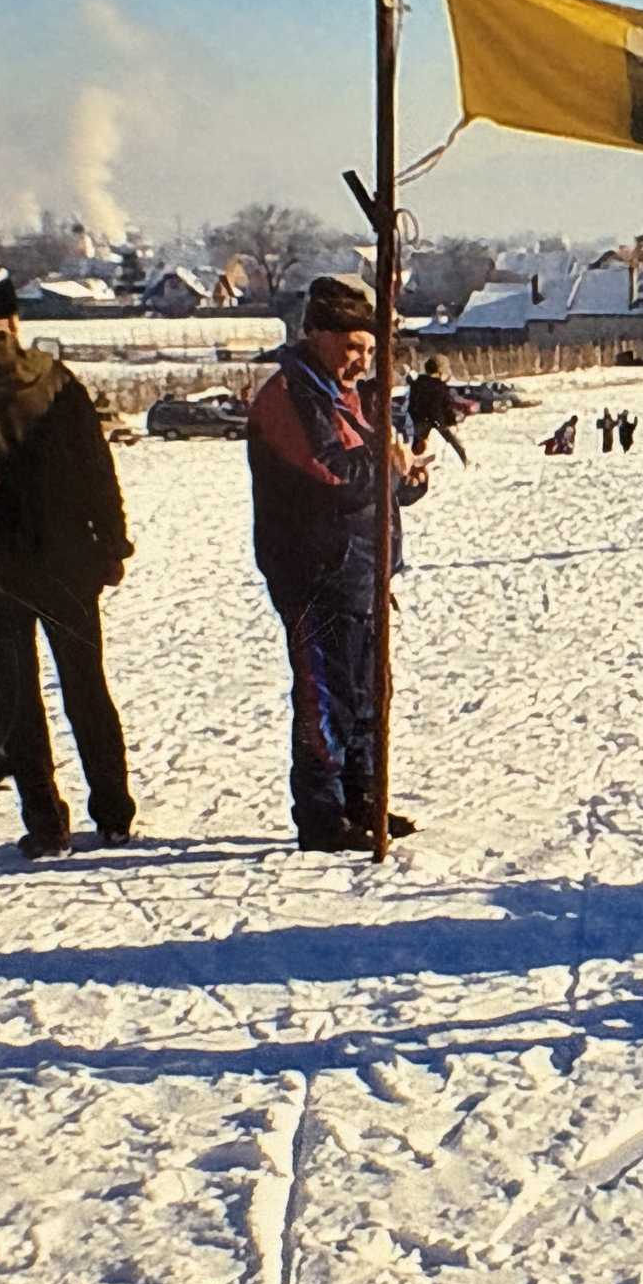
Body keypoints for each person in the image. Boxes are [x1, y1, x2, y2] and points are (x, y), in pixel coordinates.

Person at [0, 245, 138, 857]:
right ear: (10, 317)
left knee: (17, 698)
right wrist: (112, 541)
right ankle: (113, 811)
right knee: (87, 688)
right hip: (66, 560)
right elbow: (98, 471)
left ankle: (45, 822)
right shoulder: (53, 380)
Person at [247, 275, 431, 853]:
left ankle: (365, 801)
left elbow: (377, 488)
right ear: (318, 335)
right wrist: (386, 463)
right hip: (315, 569)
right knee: (327, 697)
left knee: (371, 692)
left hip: (364, 568)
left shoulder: (350, 397)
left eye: (370, 350)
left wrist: (408, 477)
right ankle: (322, 815)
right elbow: (331, 477)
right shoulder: (290, 397)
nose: (362, 361)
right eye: (353, 348)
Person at [409, 355, 468, 467]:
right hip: (433, 425)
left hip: (415, 425)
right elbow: (443, 409)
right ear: (441, 369)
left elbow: (413, 405)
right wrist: (450, 422)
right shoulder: (439, 387)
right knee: (454, 445)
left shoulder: (417, 383)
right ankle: (464, 461)